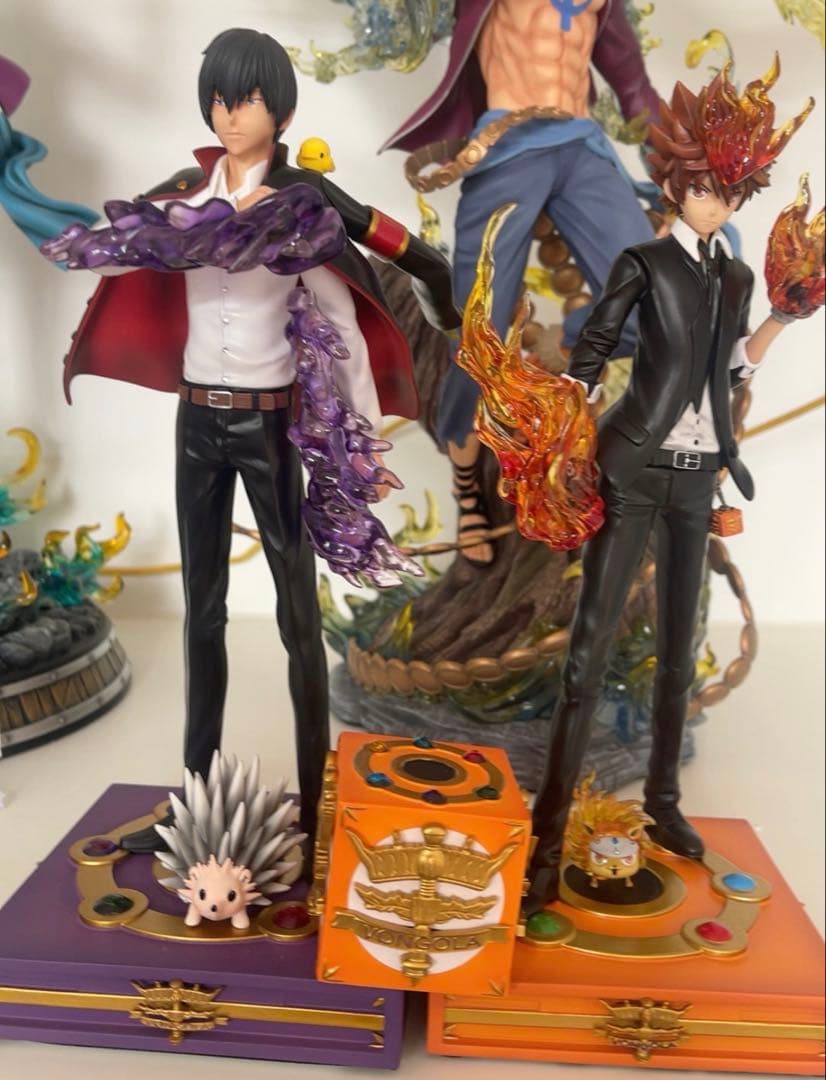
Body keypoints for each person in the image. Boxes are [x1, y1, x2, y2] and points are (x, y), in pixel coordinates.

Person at [48, 28, 459, 852]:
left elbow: (342, 319)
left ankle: (316, 802)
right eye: (220, 100)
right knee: (200, 615)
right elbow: (112, 255)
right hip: (196, 421)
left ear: (282, 110)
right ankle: (193, 793)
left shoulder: (299, 210)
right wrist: (97, 237)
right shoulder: (182, 203)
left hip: (270, 422)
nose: (232, 115)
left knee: (295, 614)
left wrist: (361, 443)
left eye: (250, 100)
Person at [524, 62, 815, 914]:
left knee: (679, 649)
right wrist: (563, 417)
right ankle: (547, 834)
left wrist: (783, 317)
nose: (714, 204)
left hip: (697, 477)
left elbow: (732, 366)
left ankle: (663, 802)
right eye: (703, 188)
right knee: (588, 651)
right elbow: (595, 345)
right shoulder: (644, 261)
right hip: (635, 464)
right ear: (677, 185)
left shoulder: (736, 277)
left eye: (728, 191)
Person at [382, 0, 662, 565]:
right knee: (478, 329)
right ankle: (467, 483)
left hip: (582, 144)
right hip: (508, 143)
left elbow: (634, 85)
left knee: (656, 295)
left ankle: (563, 352)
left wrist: (680, 154)